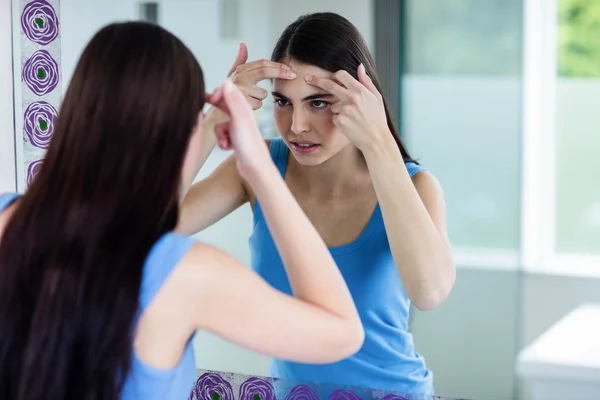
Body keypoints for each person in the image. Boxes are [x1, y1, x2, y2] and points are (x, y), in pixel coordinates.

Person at [0, 21, 365, 400]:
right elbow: (342, 332)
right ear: (179, 133)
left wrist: (207, 126)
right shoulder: (183, 274)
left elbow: (140, 221)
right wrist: (259, 166)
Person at [179, 12, 456, 396]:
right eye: (283, 102)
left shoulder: (417, 186)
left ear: (360, 99)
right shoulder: (257, 166)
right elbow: (151, 227)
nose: (296, 125)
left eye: (319, 103)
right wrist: (214, 120)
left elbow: (429, 293)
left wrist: (379, 143)